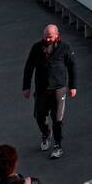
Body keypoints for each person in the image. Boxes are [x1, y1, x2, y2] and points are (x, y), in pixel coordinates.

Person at [21, 24, 77, 160]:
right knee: (39, 116)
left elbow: (72, 67)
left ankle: (58, 146)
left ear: (57, 36)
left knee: (57, 119)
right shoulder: (36, 48)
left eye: (50, 37)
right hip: (41, 89)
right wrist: (26, 87)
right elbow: (29, 67)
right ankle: (46, 133)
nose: (47, 39)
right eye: (45, 37)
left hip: (59, 89)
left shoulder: (65, 48)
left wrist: (72, 86)